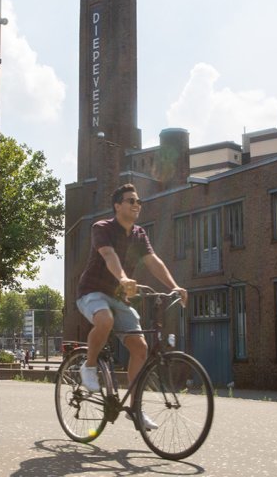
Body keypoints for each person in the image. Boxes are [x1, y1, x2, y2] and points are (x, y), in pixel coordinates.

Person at [76, 183, 187, 430]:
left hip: (118, 298)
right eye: (131, 201)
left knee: (140, 347)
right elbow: (108, 255)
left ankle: (135, 409)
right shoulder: (102, 228)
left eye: (139, 202)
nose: (136, 205)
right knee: (105, 320)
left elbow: (153, 261)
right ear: (117, 206)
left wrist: (175, 286)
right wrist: (123, 278)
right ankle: (90, 366)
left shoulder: (139, 234)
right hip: (92, 292)